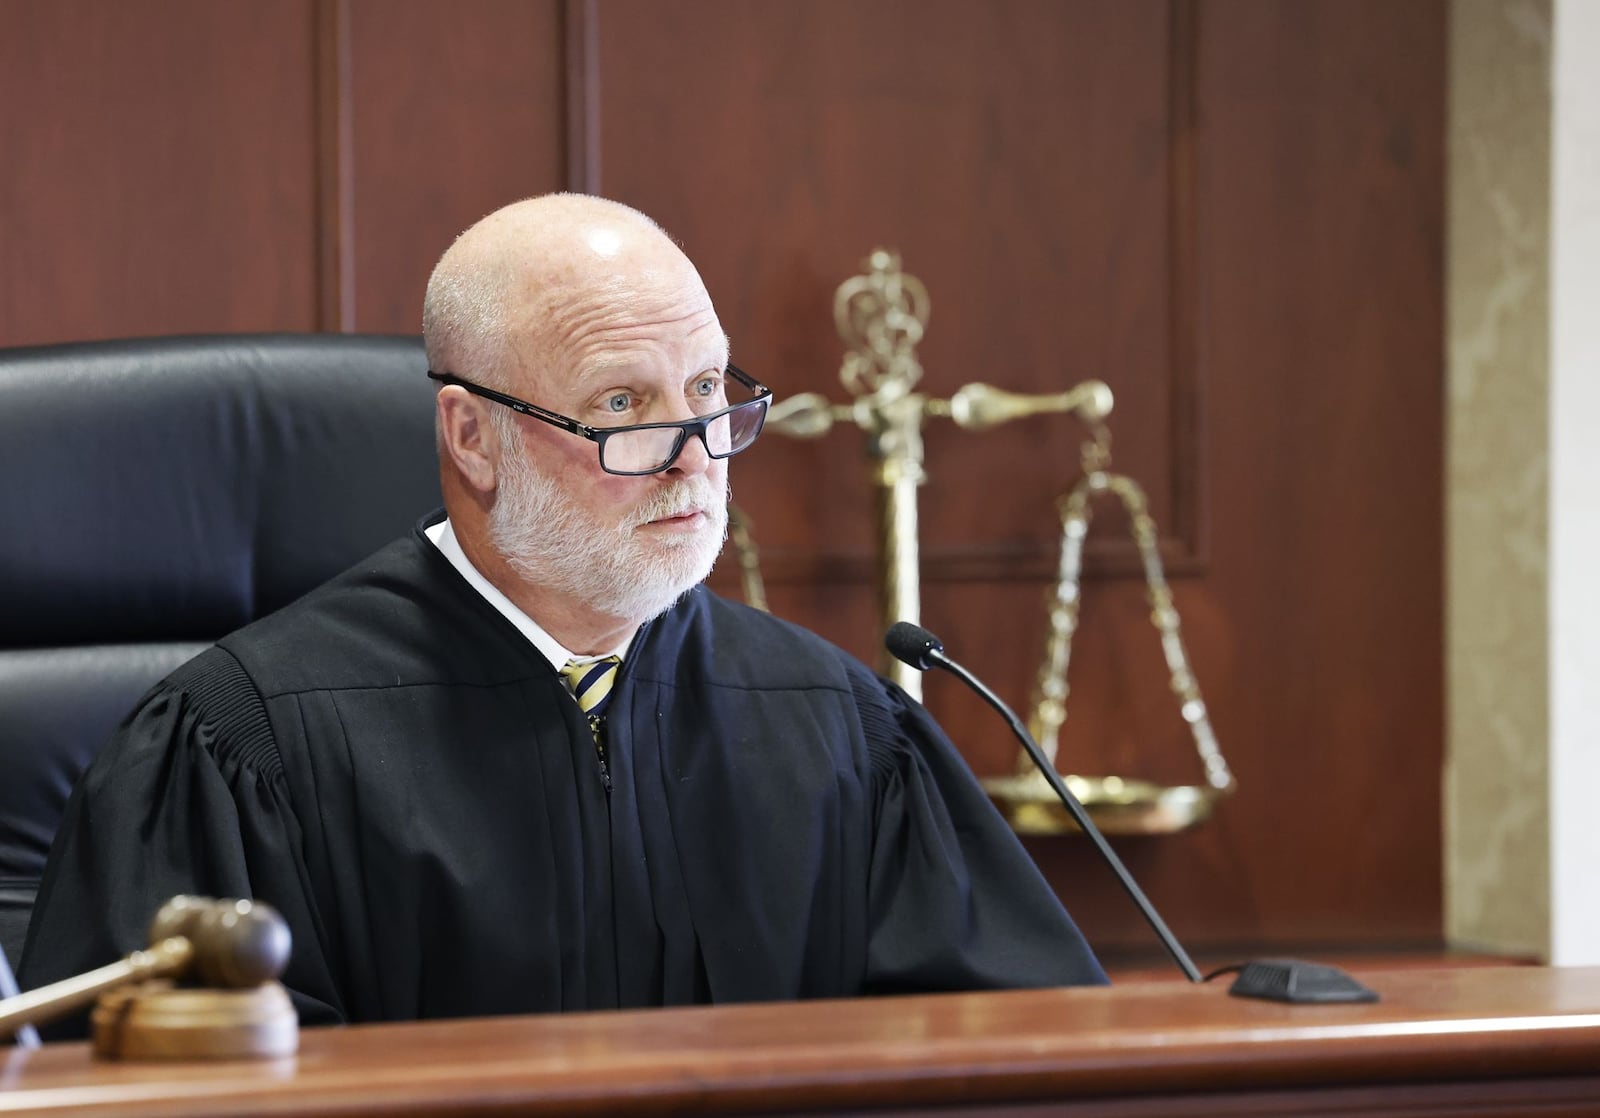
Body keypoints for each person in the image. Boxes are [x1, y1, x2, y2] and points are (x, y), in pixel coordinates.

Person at [19, 195, 1105, 1027]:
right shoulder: (243, 741)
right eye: (623, 406)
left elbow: (1017, 1052)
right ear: (471, 438)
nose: (694, 461)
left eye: (710, 391)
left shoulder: (839, 729)